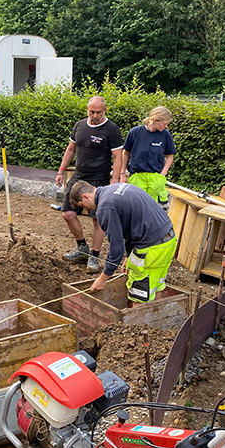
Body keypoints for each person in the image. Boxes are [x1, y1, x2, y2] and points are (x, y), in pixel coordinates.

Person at [70, 180, 177, 304]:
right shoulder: (115, 188)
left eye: (83, 205)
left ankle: (139, 322)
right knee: (154, 286)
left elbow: (116, 249)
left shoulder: (105, 207)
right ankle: (156, 320)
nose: (86, 210)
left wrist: (103, 278)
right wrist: (129, 255)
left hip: (152, 247)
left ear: (85, 196)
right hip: (168, 239)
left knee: (138, 294)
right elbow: (131, 224)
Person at [55, 96, 124, 272]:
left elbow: (118, 156)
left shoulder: (111, 129)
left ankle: (94, 255)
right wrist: (61, 170)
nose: (94, 115)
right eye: (91, 112)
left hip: (99, 179)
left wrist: (114, 181)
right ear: (87, 109)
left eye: (98, 112)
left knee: (97, 220)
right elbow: (71, 149)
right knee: (68, 214)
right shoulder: (79, 125)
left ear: (105, 110)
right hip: (79, 176)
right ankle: (82, 248)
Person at [120, 106, 176, 210]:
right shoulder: (135, 132)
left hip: (156, 178)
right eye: (164, 124)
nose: (166, 126)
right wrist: (122, 173)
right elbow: (125, 152)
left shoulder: (165, 135)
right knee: (135, 209)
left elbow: (169, 156)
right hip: (136, 177)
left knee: (153, 210)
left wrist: (163, 174)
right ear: (155, 121)